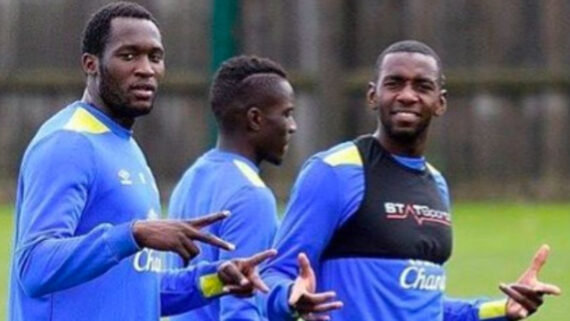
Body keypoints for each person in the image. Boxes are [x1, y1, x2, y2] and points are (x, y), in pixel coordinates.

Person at [8, 3, 275, 321]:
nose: (146, 68)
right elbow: (34, 267)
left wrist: (217, 280)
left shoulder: (125, 146)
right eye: (129, 55)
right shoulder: (69, 143)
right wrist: (133, 234)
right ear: (91, 64)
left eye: (155, 56)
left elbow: (136, 289)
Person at [261, 40, 562, 321]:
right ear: (372, 95)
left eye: (422, 86)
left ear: (440, 102)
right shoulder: (334, 172)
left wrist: (501, 309)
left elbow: (423, 306)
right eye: (394, 83)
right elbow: (274, 274)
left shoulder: (436, 184)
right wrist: (288, 296)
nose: (407, 95)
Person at [166, 55, 297, 321]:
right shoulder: (252, 196)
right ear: (255, 119)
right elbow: (240, 308)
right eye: (286, 114)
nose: (293, 126)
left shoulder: (191, 178)